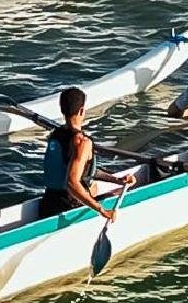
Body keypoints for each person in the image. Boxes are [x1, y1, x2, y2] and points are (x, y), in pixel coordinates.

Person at [40, 86, 136, 219]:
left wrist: (117, 180)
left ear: (62, 110)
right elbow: (71, 183)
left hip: (47, 204)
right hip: (68, 210)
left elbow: (84, 171)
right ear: (82, 111)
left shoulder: (54, 135)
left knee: (95, 187)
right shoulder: (82, 142)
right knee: (110, 195)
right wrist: (101, 210)